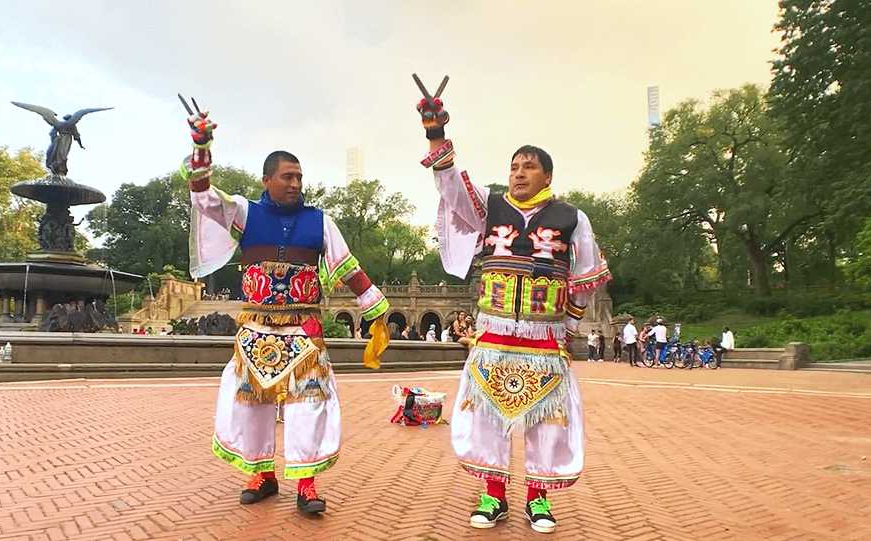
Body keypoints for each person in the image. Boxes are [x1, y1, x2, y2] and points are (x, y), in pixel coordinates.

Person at [181, 108, 390, 515]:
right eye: (287, 177)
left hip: (303, 328)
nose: (295, 183)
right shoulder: (244, 213)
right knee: (251, 403)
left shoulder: (320, 221)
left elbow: (347, 267)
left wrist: (375, 308)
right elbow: (203, 197)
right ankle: (262, 474)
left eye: (299, 177)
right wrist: (201, 147)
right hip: (256, 327)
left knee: (308, 403)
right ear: (267, 180)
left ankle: (306, 483)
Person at [418, 93, 610, 532]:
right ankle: (493, 495)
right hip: (493, 334)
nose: (518, 173)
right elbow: (449, 185)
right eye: (514, 166)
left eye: (528, 166)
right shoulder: (490, 206)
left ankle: (538, 500)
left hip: (544, 339)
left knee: (546, 420)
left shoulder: (571, 217)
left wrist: (568, 327)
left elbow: (587, 273)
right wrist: (436, 132)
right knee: (488, 416)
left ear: (548, 175)